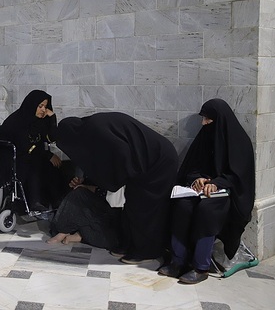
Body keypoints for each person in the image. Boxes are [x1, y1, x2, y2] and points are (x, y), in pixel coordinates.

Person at [57, 112, 178, 264]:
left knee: (147, 207)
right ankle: (129, 245)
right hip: (143, 164)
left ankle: (147, 252)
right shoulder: (92, 129)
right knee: (132, 205)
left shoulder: (96, 129)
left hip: (158, 162)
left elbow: (120, 150)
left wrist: (116, 180)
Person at [158, 98, 255, 284]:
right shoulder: (204, 138)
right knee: (182, 206)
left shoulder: (239, 142)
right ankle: (178, 261)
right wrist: (199, 178)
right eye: (203, 119)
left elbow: (239, 175)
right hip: (201, 190)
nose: (203, 123)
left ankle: (200, 267)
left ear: (219, 120)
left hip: (228, 194)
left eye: (208, 119)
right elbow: (192, 166)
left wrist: (217, 183)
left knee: (208, 210)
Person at [0, 90, 66, 211]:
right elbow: (24, 145)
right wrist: (48, 155)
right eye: (40, 106)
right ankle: (35, 201)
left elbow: (51, 138)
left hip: (30, 155)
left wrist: (52, 118)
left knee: (54, 166)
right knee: (36, 164)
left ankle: (57, 202)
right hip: (11, 158)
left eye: (45, 107)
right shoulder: (17, 121)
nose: (43, 110)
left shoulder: (38, 122)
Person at [47, 173, 123, 250]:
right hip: (97, 204)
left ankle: (66, 231)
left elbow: (111, 194)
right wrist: (79, 182)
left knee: (79, 194)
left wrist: (86, 187)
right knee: (75, 195)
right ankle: (72, 233)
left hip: (111, 212)